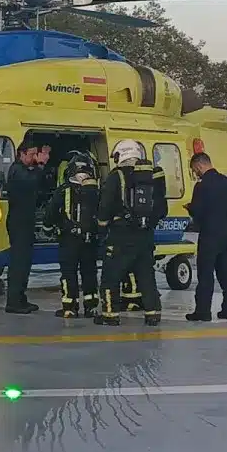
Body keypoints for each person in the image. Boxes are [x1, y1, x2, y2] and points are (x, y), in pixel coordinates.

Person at [96, 139, 166, 326]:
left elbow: (105, 207)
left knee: (111, 277)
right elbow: (162, 208)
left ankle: (110, 315)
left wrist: (102, 228)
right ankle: (153, 314)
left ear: (121, 155)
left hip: (121, 236)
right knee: (146, 277)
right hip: (145, 236)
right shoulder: (152, 176)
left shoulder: (115, 177)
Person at [185, 152, 227, 321]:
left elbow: (198, 212)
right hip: (225, 233)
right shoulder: (226, 182)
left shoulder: (201, 186)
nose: (195, 173)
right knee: (226, 273)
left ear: (199, 165)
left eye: (195, 170)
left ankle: (203, 311)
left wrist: (190, 208)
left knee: (205, 273)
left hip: (209, 234)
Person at [2, 135, 52, 314]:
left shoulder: (27, 170)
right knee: (19, 264)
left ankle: (20, 298)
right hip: (19, 223)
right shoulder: (16, 170)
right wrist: (40, 165)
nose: (33, 158)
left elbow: (41, 183)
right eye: (31, 154)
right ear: (20, 154)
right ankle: (13, 302)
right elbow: (31, 181)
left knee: (25, 263)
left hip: (26, 222)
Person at [53, 150, 101, 318]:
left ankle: (70, 308)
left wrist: (49, 229)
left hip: (68, 240)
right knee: (89, 273)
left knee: (68, 273)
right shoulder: (95, 191)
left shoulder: (62, 191)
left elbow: (50, 214)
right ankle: (91, 307)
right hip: (89, 240)